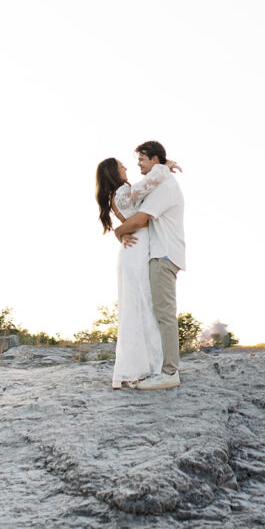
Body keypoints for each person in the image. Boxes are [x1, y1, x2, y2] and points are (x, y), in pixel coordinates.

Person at [113, 140, 186, 390]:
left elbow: (141, 219)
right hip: (159, 253)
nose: (138, 165)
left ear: (154, 160)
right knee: (159, 313)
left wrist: (118, 231)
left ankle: (169, 372)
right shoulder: (160, 181)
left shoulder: (164, 186)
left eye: (142, 160)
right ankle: (161, 367)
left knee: (164, 314)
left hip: (164, 255)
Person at [95, 157, 163, 388]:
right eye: (121, 166)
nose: (126, 168)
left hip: (133, 252)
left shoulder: (117, 194)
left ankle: (136, 368)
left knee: (137, 307)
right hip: (135, 254)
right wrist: (165, 165)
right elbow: (150, 186)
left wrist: (120, 231)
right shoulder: (124, 191)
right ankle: (138, 369)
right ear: (114, 172)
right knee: (140, 307)